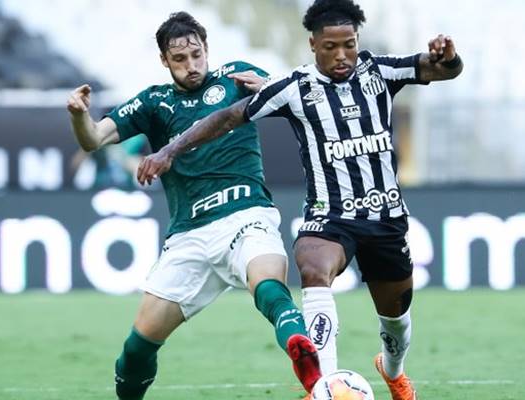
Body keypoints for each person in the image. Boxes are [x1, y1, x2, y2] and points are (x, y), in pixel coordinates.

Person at [136, 1, 464, 399]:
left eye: (349, 45)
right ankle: (324, 385)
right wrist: (169, 150)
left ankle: (392, 370)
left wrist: (449, 57)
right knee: (312, 266)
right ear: (313, 45)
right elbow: (227, 117)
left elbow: (443, 70)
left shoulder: (379, 71)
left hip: (385, 219)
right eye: (331, 47)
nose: (341, 55)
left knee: (395, 321)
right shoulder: (294, 87)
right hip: (330, 217)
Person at [66, 11, 322, 400]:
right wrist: (79, 116)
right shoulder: (154, 102)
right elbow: (92, 139)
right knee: (137, 348)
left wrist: (272, 85)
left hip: (246, 215)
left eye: (197, 54)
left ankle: (310, 371)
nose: (191, 65)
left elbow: (295, 97)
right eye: (180, 59)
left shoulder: (236, 78)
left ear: (206, 49)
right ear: (164, 60)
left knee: (269, 286)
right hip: (189, 237)